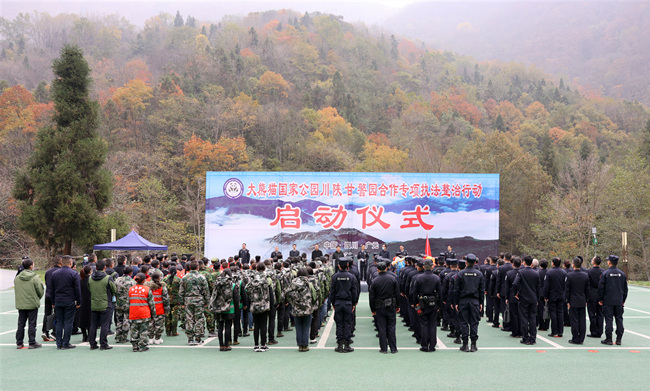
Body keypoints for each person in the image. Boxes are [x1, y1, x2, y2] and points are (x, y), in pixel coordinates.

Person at [453, 254, 484, 352]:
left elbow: (456, 290)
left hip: (463, 301)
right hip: (475, 301)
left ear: (466, 262)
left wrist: (456, 302)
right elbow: (481, 290)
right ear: (475, 262)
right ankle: (474, 345)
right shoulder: (479, 274)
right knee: (474, 323)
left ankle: (465, 345)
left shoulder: (461, 274)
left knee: (464, 323)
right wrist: (481, 302)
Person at [49, 255, 81, 350]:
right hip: (69, 300)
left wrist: (53, 301)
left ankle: (59, 343)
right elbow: (77, 289)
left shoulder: (54, 274)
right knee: (68, 322)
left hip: (58, 300)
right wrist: (79, 301)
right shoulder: (74, 274)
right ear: (71, 264)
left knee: (59, 321)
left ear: (62, 263)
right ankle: (66, 342)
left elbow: (51, 289)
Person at [409, 258, 441, 352]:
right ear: (432, 266)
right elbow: (440, 293)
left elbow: (414, 293)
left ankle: (424, 345)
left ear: (423, 267)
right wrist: (439, 306)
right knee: (432, 324)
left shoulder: (418, 278)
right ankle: (432, 346)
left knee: (423, 324)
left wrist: (415, 304)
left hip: (422, 304)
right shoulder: (436, 278)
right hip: (433, 303)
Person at [329, 257, 358, 353]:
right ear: (348, 266)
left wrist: (332, 303)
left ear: (338, 266)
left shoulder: (335, 277)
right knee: (347, 323)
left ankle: (340, 344)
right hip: (348, 303)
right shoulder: (351, 277)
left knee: (339, 323)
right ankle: (347, 344)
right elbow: (354, 291)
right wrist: (354, 303)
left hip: (338, 302)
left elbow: (332, 291)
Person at [598, 255, 628, 345]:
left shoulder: (605, 273)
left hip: (608, 300)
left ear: (609, 262)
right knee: (619, 319)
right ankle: (619, 339)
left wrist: (600, 299)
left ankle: (609, 338)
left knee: (608, 319)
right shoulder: (622, 274)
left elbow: (601, 288)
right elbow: (625, 289)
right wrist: (623, 299)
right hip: (618, 300)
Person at [14, 259, 44, 349]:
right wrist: (37, 298)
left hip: (21, 303)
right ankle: (32, 341)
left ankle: (19, 342)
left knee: (21, 324)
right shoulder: (35, 277)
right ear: (31, 266)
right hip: (32, 303)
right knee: (32, 323)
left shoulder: (18, 277)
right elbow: (40, 290)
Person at [87, 259, 116, 350]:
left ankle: (92, 343)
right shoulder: (108, 278)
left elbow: (89, 288)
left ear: (95, 268)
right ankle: (103, 344)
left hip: (94, 304)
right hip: (105, 304)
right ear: (104, 268)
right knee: (104, 325)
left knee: (93, 325)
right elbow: (114, 289)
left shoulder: (90, 278)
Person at [179, 260, 209, 346]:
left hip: (188, 300)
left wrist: (182, 302)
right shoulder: (202, 277)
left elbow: (181, 292)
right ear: (198, 267)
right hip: (199, 300)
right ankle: (198, 338)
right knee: (199, 319)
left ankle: (190, 338)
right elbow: (206, 291)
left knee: (189, 319)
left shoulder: (185, 277)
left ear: (189, 267)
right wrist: (207, 301)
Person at [210, 268, 240, 351]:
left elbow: (213, 296)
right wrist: (237, 310)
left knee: (220, 327)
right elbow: (236, 298)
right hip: (229, 309)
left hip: (218, 308)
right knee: (228, 327)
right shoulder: (233, 285)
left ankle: (221, 345)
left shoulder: (217, 284)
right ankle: (226, 345)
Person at [286, 267, 316, 352]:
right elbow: (315, 294)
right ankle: (305, 345)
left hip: (296, 308)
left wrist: (292, 303)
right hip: (307, 308)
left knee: (298, 327)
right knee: (306, 327)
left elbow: (287, 294)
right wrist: (312, 304)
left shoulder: (293, 282)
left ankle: (300, 345)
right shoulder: (309, 282)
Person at [512, 255, 540, 345]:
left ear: (524, 262)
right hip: (533, 298)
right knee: (532, 318)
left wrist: (516, 293)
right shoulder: (536, 273)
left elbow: (515, 284)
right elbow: (539, 288)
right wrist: (537, 298)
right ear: (531, 263)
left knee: (524, 318)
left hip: (523, 298)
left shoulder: (521, 272)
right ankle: (533, 338)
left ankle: (525, 337)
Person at [246, 263, 273, 352]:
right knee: (263, 324)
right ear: (264, 269)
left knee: (256, 325)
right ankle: (263, 344)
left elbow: (247, 290)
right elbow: (270, 292)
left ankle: (256, 345)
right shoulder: (267, 278)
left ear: (257, 269)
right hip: (263, 304)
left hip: (254, 304)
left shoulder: (252, 278)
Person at [129, 273, 156, 352]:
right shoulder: (147, 289)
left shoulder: (131, 289)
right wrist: (153, 314)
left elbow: (128, 302)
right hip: (144, 313)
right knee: (143, 330)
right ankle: (142, 346)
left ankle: (134, 346)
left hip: (133, 313)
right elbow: (151, 303)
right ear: (144, 280)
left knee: (134, 330)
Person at [565, 256, 589, 345]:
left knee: (574, 320)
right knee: (582, 320)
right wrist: (586, 300)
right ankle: (581, 338)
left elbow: (567, 290)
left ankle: (575, 338)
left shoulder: (570, 275)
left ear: (573, 264)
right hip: (582, 300)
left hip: (573, 300)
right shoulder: (585, 275)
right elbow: (587, 289)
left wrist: (567, 301)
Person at [544, 257, 567, 338]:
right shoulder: (564, 273)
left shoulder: (549, 272)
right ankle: (560, 331)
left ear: (553, 263)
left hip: (552, 295)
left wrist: (545, 295)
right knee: (560, 312)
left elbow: (546, 286)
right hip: (561, 295)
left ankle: (554, 331)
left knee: (553, 313)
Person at [145, 271, 170, 345]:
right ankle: (157, 338)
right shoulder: (162, 287)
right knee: (159, 325)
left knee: (150, 324)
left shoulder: (147, 286)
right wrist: (167, 309)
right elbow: (166, 300)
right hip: (160, 309)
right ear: (159, 278)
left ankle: (150, 338)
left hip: (149, 308)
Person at [41, 255, 61, 342]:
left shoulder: (48, 272)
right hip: (56, 296)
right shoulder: (60, 272)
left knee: (47, 313)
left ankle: (45, 331)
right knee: (57, 314)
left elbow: (46, 282)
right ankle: (55, 332)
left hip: (48, 295)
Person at [114, 266, 136, 343]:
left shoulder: (117, 280)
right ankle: (124, 338)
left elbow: (114, 290)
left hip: (118, 303)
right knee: (126, 321)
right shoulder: (132, 282)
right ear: (131, 273)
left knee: (119, 320)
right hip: (128, 304)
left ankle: (117, 337)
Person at [587, 256, 604, 338]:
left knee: (592, 313)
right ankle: (600, 331)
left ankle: (593, 331)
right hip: (601, 294)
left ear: (593, 262)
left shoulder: (589, 271)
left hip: (592, 294)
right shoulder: (603, 272)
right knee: (600, 313)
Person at [164, 266, 181, 337]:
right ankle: (174, 331)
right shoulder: (178, 280)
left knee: (167, 316)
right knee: (175, 316)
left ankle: (168, 331)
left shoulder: (164, 279)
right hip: (176, 300)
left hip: (166, 300)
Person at [77, 266, 92, 342]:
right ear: (90, 271)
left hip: (81, 301)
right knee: (89, 319)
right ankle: (89, 335)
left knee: (82, 319)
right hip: (89, 301)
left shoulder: (80, 280)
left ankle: (84, 335)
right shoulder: (91, 280)